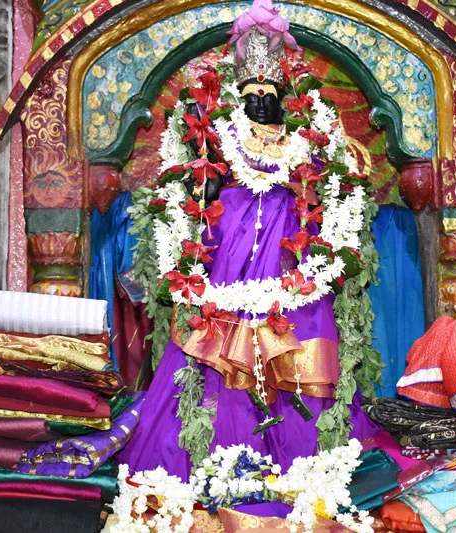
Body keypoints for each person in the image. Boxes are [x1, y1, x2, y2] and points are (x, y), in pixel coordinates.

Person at [119, 0, 381, 478]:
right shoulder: (221, 131)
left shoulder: (305, 135)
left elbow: (331, 182)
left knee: (296, 337)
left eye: (269, 90)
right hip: (228, 240)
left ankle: (303, 462)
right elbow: (191, 178)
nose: (261, 97)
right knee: (214, 342)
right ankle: (211, 454)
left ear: (283, 96)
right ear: (240, 95)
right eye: (252, 90)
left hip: (289, 244)